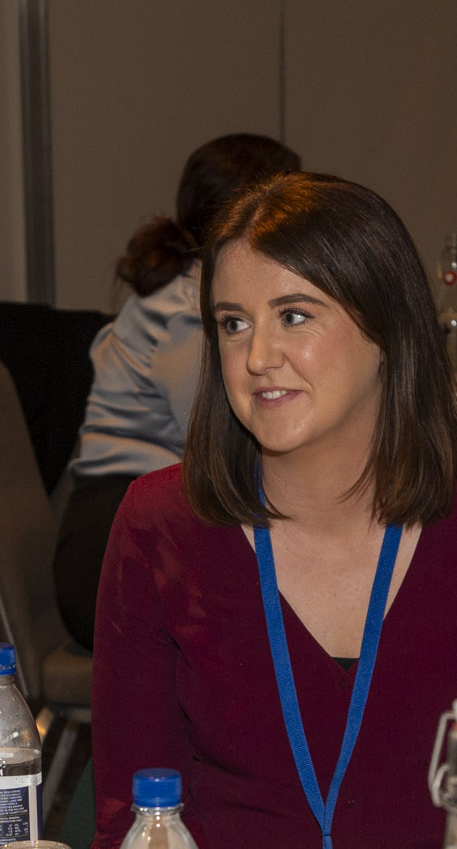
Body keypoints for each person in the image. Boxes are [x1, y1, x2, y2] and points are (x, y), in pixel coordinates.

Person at [91, 173, 457, 849]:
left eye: (294, 316)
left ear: (387, 328)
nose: (256, 358)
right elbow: (132, 826)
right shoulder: (161, 528)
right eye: (233, 323)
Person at [53, 132, 300, 648]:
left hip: (141, 516)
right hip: (117, 545)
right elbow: (222, 441)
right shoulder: (189, 311)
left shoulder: (200, 287)